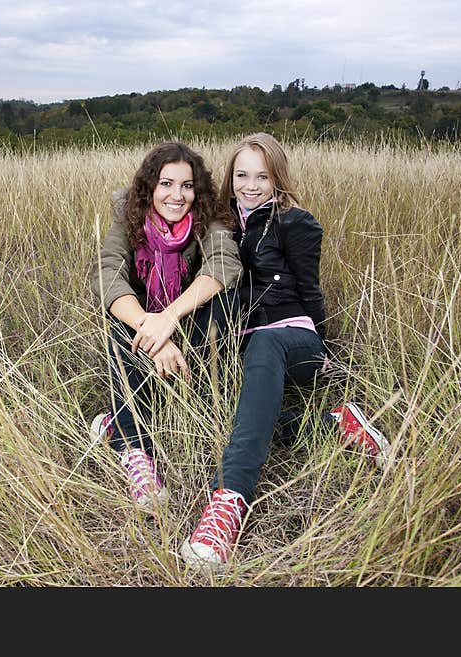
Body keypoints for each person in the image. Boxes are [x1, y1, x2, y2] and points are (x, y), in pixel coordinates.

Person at [179, 133, 391, 572]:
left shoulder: (296, 223)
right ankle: (335, 425)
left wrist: (328, 354)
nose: (250, 185)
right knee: (227, 399)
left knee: (266, 342)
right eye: (241, 175)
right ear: (230, 177)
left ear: (278, 177)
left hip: (294, 338)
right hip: (247, 345)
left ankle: (227, 505)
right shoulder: (220, 223)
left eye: (262, 175)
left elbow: (310, 291)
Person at [90, 142, 242, 513]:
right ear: (149, 187)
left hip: (193, 333)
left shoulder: (210, 216)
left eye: (187, 186)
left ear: (197, 190)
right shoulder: (127, 214)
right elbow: (107, 273)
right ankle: (136, 454)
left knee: (225, 300)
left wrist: (169, 318)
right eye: (166, 184)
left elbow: (224, 264)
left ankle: (144, 413)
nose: (177, 195)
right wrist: (152, 329)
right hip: (146, 337)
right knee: (120, 321)